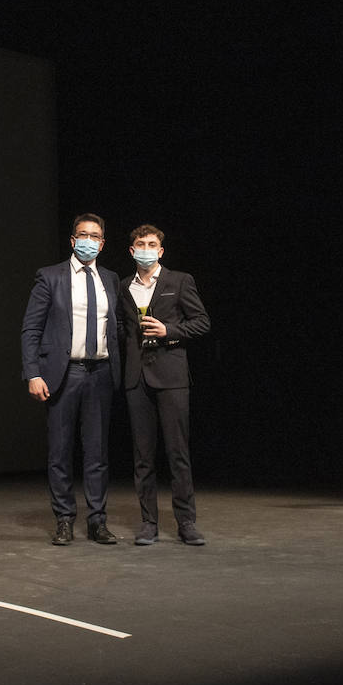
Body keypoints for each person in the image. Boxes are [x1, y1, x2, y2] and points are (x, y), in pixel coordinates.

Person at [21, 213, 122, 545]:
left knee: (97, 453)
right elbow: (31, 329)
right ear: (72, 239)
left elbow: (118, 329)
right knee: (60, 451)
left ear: (102, 243)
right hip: (63, 374)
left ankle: (97, 521)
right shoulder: (50, 277)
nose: (88, 241)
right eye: (82, 234)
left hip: (101, 373)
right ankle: (64, 518)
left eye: (94, 236)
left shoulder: (111, 279)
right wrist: (33, 372)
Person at [118, 224, 210, 545]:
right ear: (132, 251)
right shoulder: (123, 286)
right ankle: (148, 523)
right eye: (140, 244)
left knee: (177, 452)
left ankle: (186, 522)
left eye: (152, 244)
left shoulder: (179, 281)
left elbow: (201, 322)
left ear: (160, 251)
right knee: (143, 456)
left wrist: (168, 330)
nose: (146, 248)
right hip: (136, 377)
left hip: (171, 377)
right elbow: (120, 328)